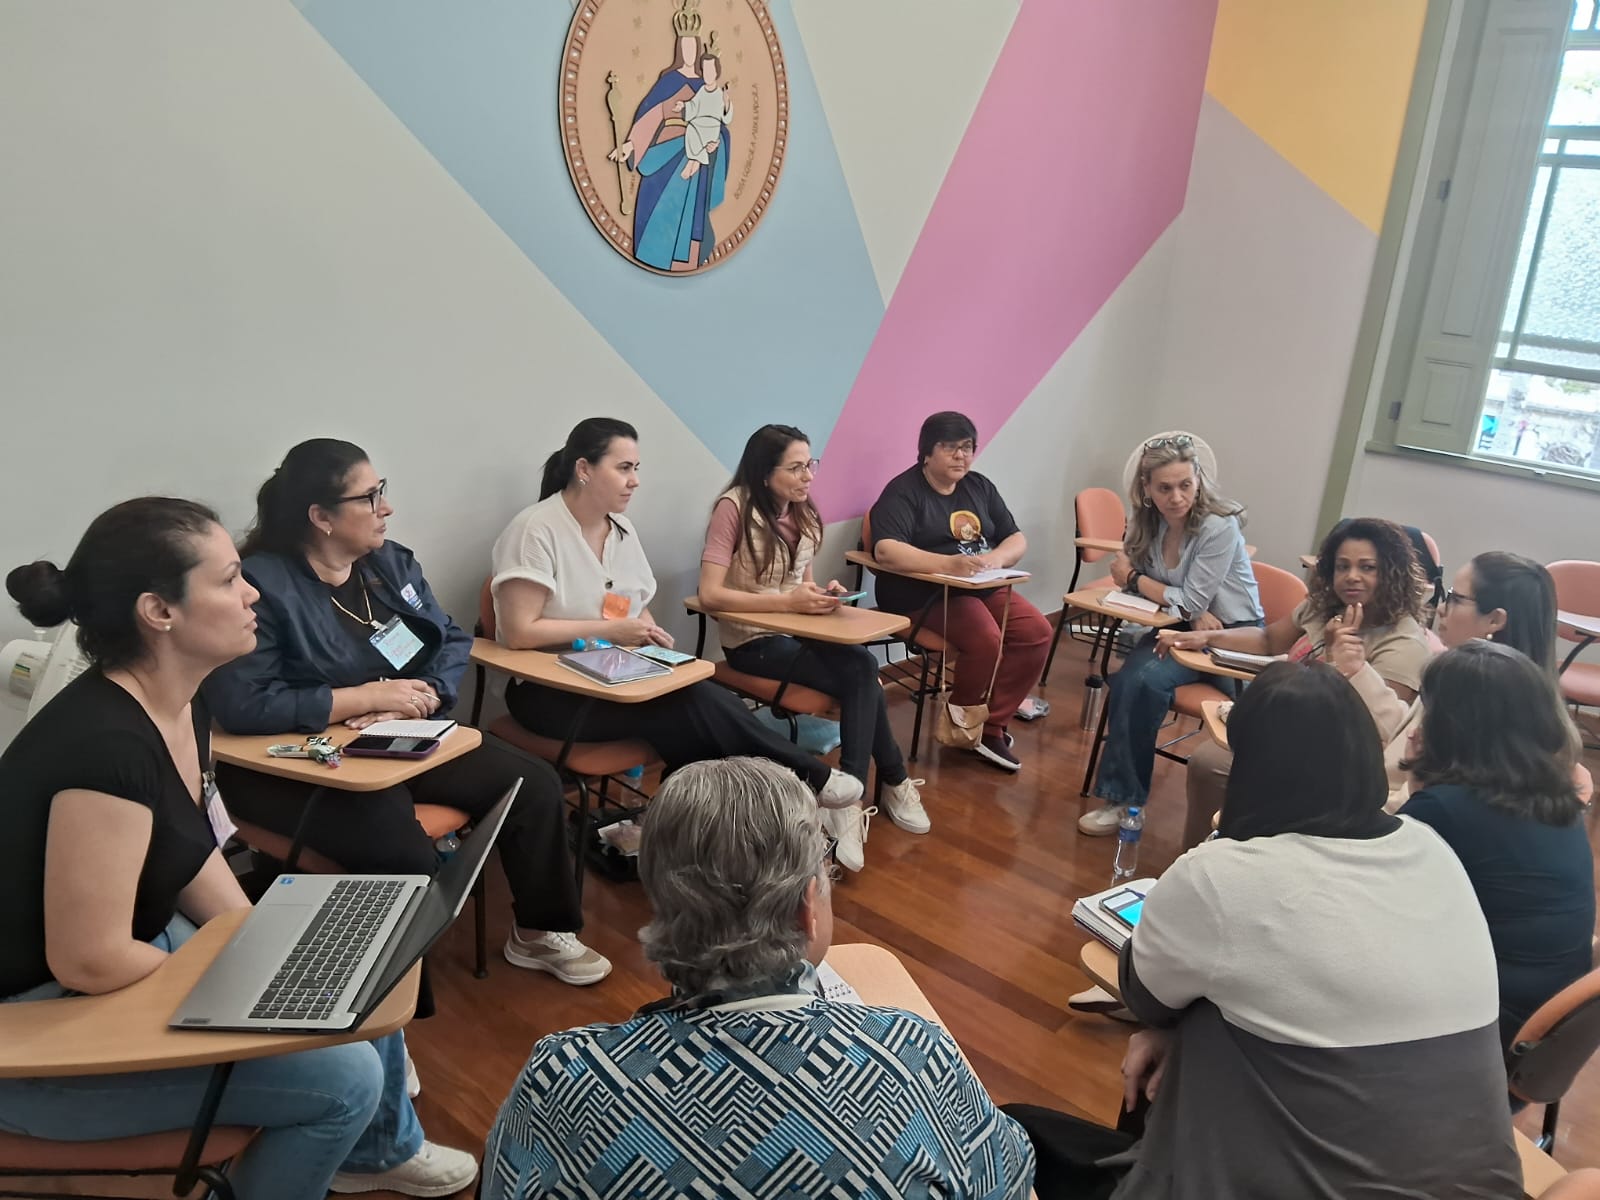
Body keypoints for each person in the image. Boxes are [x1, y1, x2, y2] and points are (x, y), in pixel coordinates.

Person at [0, 498, 477, 1198]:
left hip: (119, 958)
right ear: (159, 612)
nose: (253, 592)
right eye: (228, 580)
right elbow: (89, 959)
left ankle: (376, 1153)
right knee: (344, 1082)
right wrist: (239, 988)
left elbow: (189, 848)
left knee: (346, 965)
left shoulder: (178, 703)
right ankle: (355, 1143)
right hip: (32, 1033)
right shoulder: (106, 748)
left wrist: (267, 948)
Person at [1009, 663, 1522, 1199]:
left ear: (1248, 766)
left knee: (1020, 1131)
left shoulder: (1224, 876)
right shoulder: (1430, 847)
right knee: (1223, 1023)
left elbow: (1145, 996)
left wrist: (1172, 1025)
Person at [481, 757, 1037, 1199]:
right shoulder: (915, 1055)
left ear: (661, 899)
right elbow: (1008, 1180)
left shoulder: (561, 1078)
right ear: (807, 908)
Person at [203, 439, 610, 986]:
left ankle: (539, 932)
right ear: (321, 517)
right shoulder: (261, 586)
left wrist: (426, 695)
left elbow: (449, 639)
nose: (386, 508)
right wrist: (368, 698)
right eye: (369, 498)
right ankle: (387, 1001)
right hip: (298, 761)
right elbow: (243, 705)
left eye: (382, 491)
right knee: (403, 851)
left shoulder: (389, 565)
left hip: (399, 732)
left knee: (532, 784)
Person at [492, 418, 864, 815]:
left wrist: (649, 633)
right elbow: (519, 632)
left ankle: (711, 816)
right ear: (584, 469)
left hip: (615, 675)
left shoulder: (621, 530)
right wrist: (614, 630)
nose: (635, 480)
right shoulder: (535, 530)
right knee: (691, 708)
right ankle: (803, 780)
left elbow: (634, 602)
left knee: (703, 703)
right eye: (624, 468)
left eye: (636, 468)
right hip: (550, 693)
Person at [699, 424, 926, 871]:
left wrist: (823, 594)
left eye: (810, 465)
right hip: (752, 641)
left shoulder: (801, 511)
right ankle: (882, 786)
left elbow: (799, 582)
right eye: (796, 468)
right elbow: (710, 594)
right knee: (862, 671)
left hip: (798, 631)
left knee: (862, 666)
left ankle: (850, 798)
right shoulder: (733, 508)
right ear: (765, 473)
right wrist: (788, 603)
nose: (808, 477)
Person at [1168, 515, 1431, 848]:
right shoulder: (1324, 608)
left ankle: (1224, 856)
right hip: (1281, 728)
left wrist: (1338, 660)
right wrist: (1208, 637)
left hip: (1329, 759)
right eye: (1342, 566)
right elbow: (1267, 639)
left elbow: (1371, 734)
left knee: (1212, 765)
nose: (1352, 576)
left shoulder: (1404, 643)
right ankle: (1203, 857)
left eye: (1367, 567)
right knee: (1209, 759)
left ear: (1392, 574)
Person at [1400, 641, 1595, 1050]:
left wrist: (1418, 783)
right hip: (1545, 1027)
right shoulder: (1558, 796)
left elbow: (1382, 902)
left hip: (1480, 1030)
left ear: (1452, 725)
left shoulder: (1447, 809)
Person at [1079, 433, 1261, 835]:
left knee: (1253, 717)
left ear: (1198, 480)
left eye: (1185, 485)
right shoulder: (1147, 524)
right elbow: (1174, 600)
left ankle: (1249, 816)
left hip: (1236, 634)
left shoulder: (1219, 525)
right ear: (1146, 489)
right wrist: (1184, 605)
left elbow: (1178, 596)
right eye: (1164, 488)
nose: (1177, 497)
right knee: (1134, 681)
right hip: (1178, 628)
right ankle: (1124, 801)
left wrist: (1138, 579)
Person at [866, 411, 1052, 771]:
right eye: (949, 447)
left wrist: (996, 558)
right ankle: (963, 728)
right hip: (921, 593)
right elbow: (885, 550)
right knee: (986, 639)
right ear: (927, 452)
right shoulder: (903, 491)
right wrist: (948, 564)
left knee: (1036, 632)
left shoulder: (979, 486)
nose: (960, 456)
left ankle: (990, 726)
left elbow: (1016, 537)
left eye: (967, 448)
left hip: (976, 585)